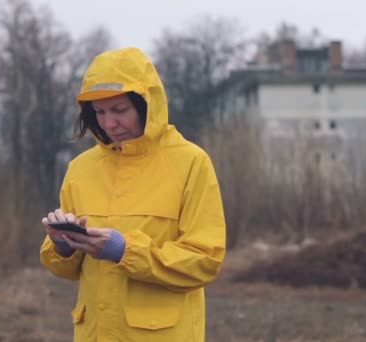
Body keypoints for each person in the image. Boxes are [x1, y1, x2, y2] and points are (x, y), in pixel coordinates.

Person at [40, 47, 226, 341]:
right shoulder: (80, 169)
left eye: (119, 110)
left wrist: (123, 250)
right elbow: (69, 270)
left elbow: (204, 262)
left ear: (146, 103)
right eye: (99, 112)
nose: (109, 123)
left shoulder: (191, 163)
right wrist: (63, 246)